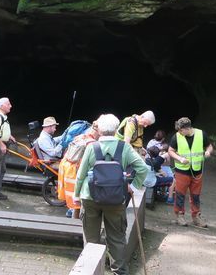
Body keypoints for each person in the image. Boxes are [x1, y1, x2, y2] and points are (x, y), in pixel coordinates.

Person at [74, 114, 149, 275]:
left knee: (91, 239)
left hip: (90, 197)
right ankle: (119, 271)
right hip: (116, 198)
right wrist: (133, 186)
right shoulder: (125, 147)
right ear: (116, 130)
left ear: (99, 129)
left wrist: (76, 195)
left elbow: (81, 174)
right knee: (116, 238)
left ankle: (89, 270)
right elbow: (143, 168)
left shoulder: (91, 147)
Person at [168, 117, 213, 227]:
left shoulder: (201, 134)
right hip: (182, 170)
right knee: (180, 194)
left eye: (180, 130)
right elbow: (170, 151)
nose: (179, 132)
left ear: (187, 129)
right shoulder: (177, 137)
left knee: (196, 195)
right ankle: (179, 215)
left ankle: (196, 217)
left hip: (197, 170)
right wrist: (180, 159)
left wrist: (208, 151)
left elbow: (209, 146)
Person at [57, 121, 100, 218]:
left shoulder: (80, 137)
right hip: (76, 175)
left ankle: (71, 215)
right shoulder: (91, 144)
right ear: (98, 131)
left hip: (68, 171)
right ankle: (74, 223)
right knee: (77, 205)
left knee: (74, 204)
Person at [147, 130, 175, 203]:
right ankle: (169, 198)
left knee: (159, 175)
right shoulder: (157, 162)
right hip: (151, 181)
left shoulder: (146, 158)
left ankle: (160, 193)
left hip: (145, 179)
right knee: (171, 179)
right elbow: (165, 169)